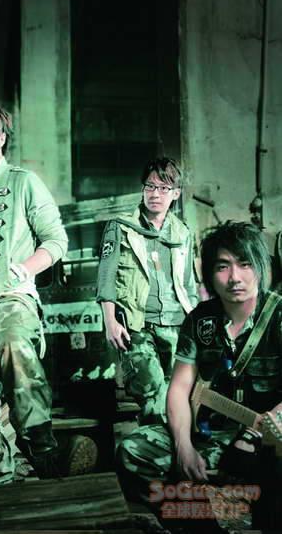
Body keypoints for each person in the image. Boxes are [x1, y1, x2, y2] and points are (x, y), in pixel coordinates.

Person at [0, 98, 97, 485]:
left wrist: (26, 268)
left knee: (14, 346)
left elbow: (56, 240)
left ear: (1, 137)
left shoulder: (23, 182)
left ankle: (44, 453)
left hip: (10, 298)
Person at [117, 221, 282, 530]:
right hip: (211, 436)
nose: (235, 277)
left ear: (260, 266)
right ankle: (201, 526)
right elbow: (179, 388)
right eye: (223, 267)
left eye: (245, 264)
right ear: (209, 274)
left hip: (266, 442)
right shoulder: (200, 320)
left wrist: (254, 436)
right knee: (133, 450)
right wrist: (184, 447)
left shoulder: (278, 317)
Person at [97, 158, 198, 424]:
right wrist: (110, 322)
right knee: (152, 395)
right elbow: (106, 277)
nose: (155, 194)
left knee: (179, 397)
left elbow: (189, 284)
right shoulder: (121, 226)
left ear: (176, 193)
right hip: (137, 325)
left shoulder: (182, 233)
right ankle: (160, 445)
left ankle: (167, 446)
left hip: (177, 325)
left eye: (164, 188)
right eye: (150, 186)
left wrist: (196, 324)